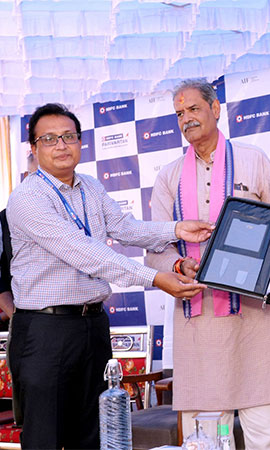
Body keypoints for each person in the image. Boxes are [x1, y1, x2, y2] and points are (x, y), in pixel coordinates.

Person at [6, 102, 212, 449]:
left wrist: (176, 229)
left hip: (92, 327)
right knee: (45, 436)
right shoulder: (27, 198)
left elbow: (124, 227)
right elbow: (83, 251)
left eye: (69, 136)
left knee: (94, 433)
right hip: (45, 332)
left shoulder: (89, 186)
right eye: (50, 138)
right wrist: (155, 278)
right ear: (34, 147)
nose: (61, 145)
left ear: (81, 142)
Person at [146, 79, 270, 449]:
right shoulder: (168, 176)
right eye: (179, 114)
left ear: (215, 108)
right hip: (199, 319)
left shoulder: (253, 159)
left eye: (194, 109)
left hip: (257, 316)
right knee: (205, 435)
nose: (186, 119)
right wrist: (179, 265)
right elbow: (154, 248)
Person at [0, 152, 38, 324]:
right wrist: (17, 318)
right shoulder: (3, 220)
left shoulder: (72, 217)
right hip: (25, 326)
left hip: (73, 323)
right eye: (38, 175)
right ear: (25, 177)